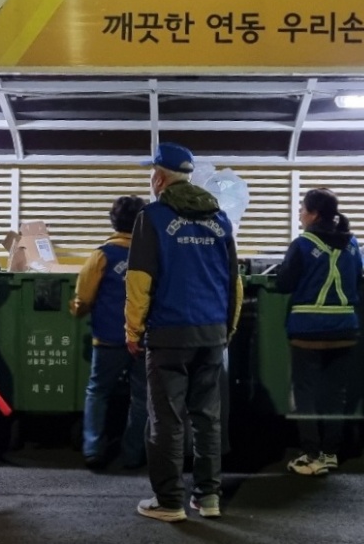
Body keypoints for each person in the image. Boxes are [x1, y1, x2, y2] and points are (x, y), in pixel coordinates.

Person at [126, 143, 242, 522]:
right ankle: (208, 498)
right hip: (212, 333)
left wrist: (133, 329)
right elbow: (234, 283)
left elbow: (140, 280)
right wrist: (227, 329)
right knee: (208, 417)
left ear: (159, 178)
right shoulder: (220, 220)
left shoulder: (153, 216)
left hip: (169, 333)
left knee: (167, 418)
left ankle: (170, 501)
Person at [274, 189, 362, 477]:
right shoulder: (352, 244)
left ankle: (310, 454)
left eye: (302, 209)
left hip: (308, 330)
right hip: (345, 328)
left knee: (306, 394)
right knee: (336, 393)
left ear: (313, 214)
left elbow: (284, 283)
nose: (300, 213)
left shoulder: (302, 244)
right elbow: (359, 279)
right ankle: (330, 453)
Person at [72, 195, 148, 470]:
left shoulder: (102, 254)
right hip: (144, 338)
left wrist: (77, 310)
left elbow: (84, 295)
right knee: (142, 397)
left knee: (98, 390)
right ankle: (132, 453)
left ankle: (93, 448)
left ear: (113, 221)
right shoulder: (153, 253)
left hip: (108, 338)